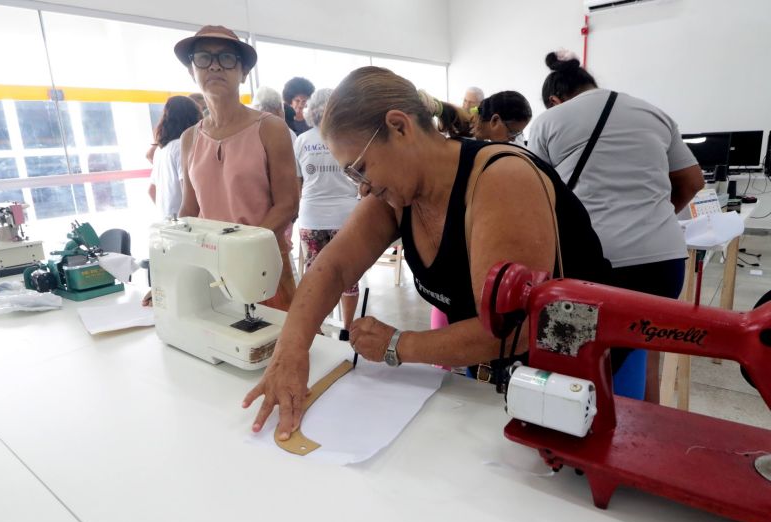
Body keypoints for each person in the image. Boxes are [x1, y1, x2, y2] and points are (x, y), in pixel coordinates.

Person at [243, 66, 611, 439]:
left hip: (574, 377)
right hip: (500, 377)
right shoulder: (398, 195)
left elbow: (510, 328)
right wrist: (290, 352)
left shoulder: (501, 179)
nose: (363, 190)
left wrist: (399, 345)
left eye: (360, 170)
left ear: (399, 126)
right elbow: (333, 267)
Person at [528, 51, 704, 401]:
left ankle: (575, 439)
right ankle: (645, 434)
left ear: (553, 99)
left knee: (574, 358)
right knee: (645, 350)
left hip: (591, 264)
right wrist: (655, 217)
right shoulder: (653, 112)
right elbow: (692, 181)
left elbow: (535, 193)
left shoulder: (549, 122)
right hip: (662, 264)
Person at [167, 25, 299, 311]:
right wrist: (171, 273)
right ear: (192, 70)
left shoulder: (270, 128)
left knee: (276, 344)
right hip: (209, 265)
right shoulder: (189, 138)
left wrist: (242, 251)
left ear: (243, 72)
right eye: (203, 58)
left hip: (262, 262)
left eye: (226, 58)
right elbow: (189, 210)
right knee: (214, 342)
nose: (214, 66)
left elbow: (288, 204)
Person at [293, 88, 360, 341]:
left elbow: (297, 184)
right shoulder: (349, 139)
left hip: (312, 216)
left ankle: (318, 328)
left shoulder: (301, 140)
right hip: (346, 217)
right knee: (349, 275)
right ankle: (348, 328)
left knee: (315, 275)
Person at [147, 96, 202, 220]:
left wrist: (168, 215)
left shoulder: (161, 149)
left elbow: (151, 190)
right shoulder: (182, 145)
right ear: (193, 117)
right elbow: (188, 191)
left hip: (168, 223)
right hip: (186, 225)